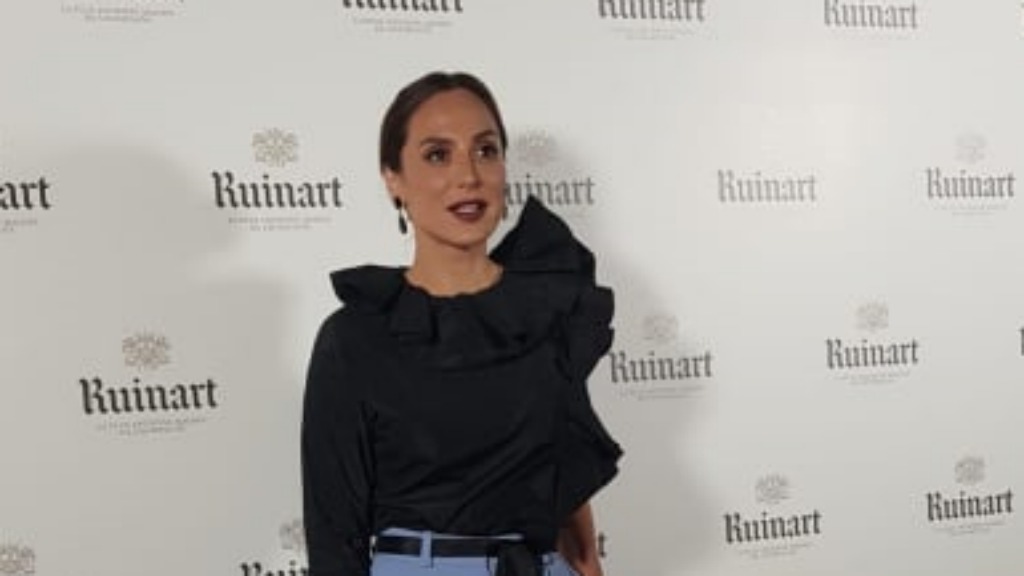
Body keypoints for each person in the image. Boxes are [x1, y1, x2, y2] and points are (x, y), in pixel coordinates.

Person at [301, 71, 622, 576]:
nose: (468, 175)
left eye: (486, 150)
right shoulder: (354, 339)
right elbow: (333, 539)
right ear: (393, 178)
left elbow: (566, 488)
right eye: (437, 155)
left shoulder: (545, 308)